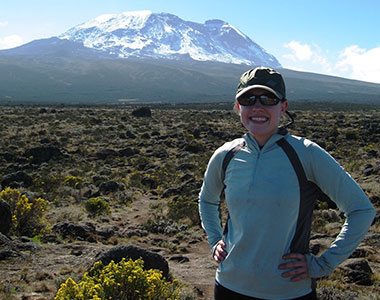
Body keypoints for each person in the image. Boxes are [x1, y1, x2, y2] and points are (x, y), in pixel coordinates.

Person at [198, 66, 376, 300]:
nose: (258, 107)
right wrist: (215, 240)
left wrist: (323, 264)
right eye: (248, 99)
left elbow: (361, 209)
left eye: (268, 98)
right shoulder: (226, 155)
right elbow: (207, 200)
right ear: (237, 107)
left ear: (283, 107)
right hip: (229, 285)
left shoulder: (306, 154)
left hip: (288, 292)